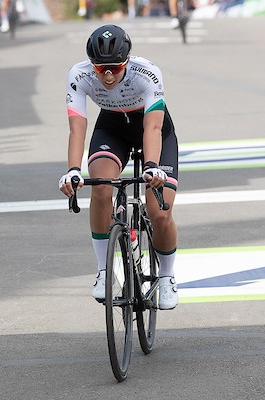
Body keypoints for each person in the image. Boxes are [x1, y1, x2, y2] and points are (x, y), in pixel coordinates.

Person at [59, 25, 179, 310]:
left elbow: (153, 126)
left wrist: (151, 167)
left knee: (159, 211)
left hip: (153, 131)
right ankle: (103, 271)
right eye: (101, 69)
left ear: (127, 61)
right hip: (111, 130)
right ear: (92, 65)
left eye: (115, 68)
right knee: (100, 187)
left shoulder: (147, 73)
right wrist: (73, 170)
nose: (108, 75)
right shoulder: (79, 75)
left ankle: (166, 276)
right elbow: (77, 128)